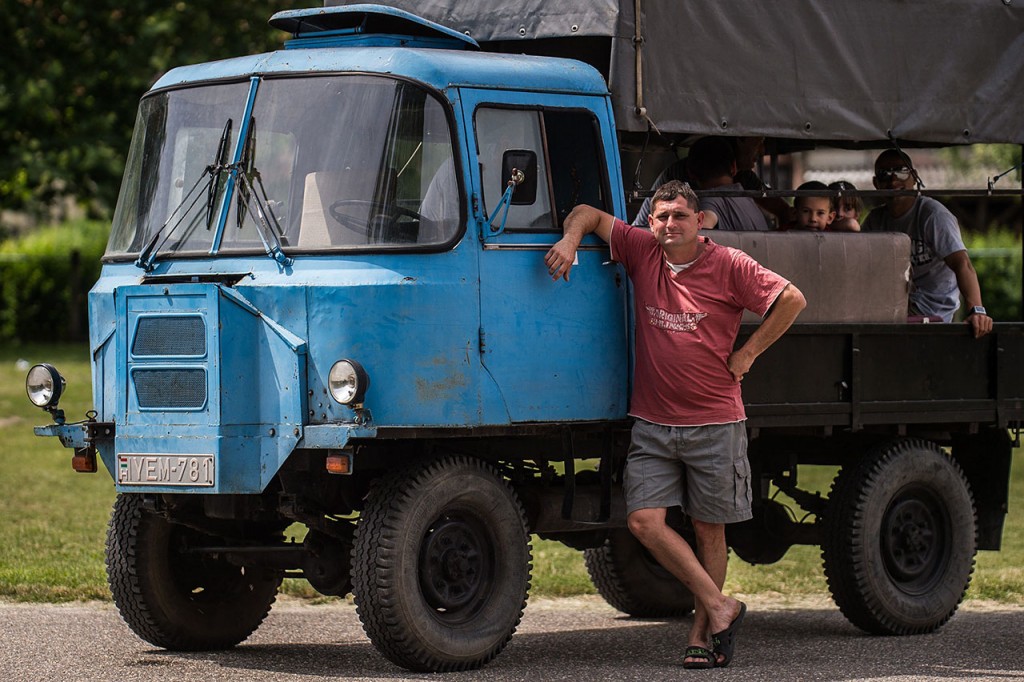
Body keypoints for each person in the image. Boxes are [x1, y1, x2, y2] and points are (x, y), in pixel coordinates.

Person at [544, 180, 806, 668]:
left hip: (714, 422)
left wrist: (748, 352)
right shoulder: (642, 249)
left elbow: (791, 298)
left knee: (709, 531)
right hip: (653, 422)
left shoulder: (728, 264)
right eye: (662, 216)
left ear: (700, 221)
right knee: (644, 521)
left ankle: (703, 635)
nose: (669, 224)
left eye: (680, 216)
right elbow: (585, 210)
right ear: (650, 222)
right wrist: (570, 240)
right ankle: (721, 603)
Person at [861, 149, 993, 337]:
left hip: (933, 312)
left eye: (901, 172)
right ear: (876, 183)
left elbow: (962, 263)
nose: (893, 180)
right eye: (885, 174)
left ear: (914, 177)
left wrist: (977, 311)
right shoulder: (875, 220)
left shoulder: (933, 215)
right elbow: (858, 265)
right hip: (893, 308)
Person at [687, 136, 772, 231]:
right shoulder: (747, 199)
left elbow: (704, 226)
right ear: (734, 168)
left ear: (690, 173)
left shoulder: (709, 201)